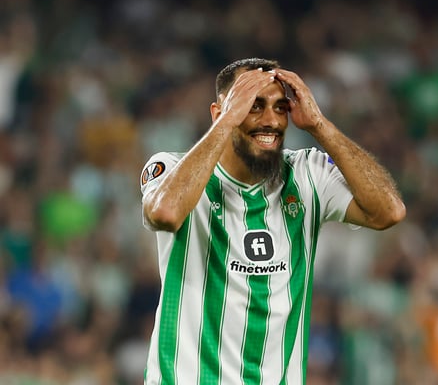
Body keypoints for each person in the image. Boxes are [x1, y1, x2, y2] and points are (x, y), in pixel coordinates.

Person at [139, 57, 406, 384]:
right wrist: (226, 122)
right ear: (219, 112)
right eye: (253, 106)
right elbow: (164, 213)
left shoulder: (307, 174)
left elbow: (389, 211)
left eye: (280, 108)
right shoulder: (172, 168)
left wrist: (320, 125)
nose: (270, 120)